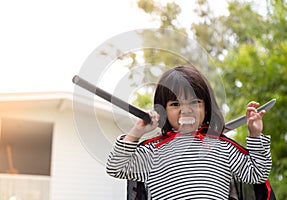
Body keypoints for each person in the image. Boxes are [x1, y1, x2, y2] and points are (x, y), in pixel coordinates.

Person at [106, 65, 272, 200]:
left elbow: (257, 174)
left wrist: (255, 135)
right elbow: (116, 167)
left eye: (194, 102)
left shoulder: (223, 148)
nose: (185, 110)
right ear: (162, 111)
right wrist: (137, 132)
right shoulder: (153, 152)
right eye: (175, 104)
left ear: (206, 108)